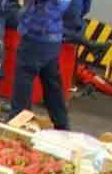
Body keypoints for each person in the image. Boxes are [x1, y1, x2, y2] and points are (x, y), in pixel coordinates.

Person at [8, 0, 82, 129]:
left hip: (35, 35)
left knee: (24, 80)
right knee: (52, 83)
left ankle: (18, 122)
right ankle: (62, 125)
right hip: (54, 37)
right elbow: (79, 8)